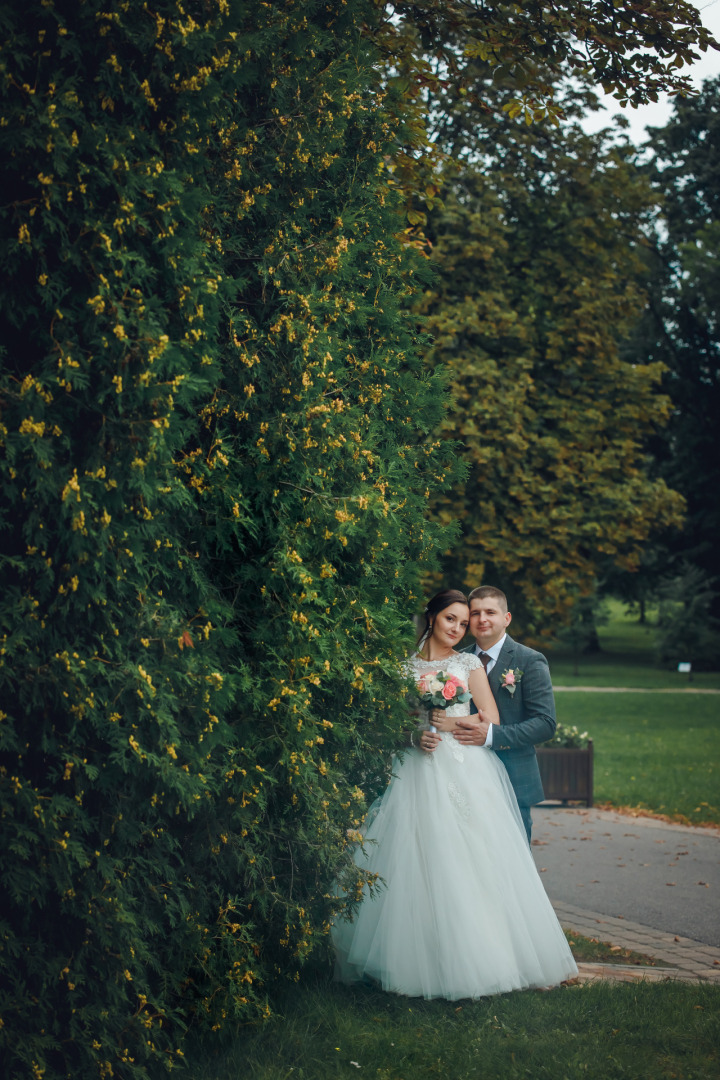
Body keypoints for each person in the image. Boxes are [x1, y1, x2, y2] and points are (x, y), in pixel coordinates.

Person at [332, 589, 577, 1000]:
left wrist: (448, 727)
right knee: (415, 858)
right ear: (431, 617)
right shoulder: (402, 666)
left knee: (479, 860)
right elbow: (390, 721)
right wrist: (415, 733)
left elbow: (493, 719)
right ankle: (416, 956)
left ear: (505, 617)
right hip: (416, 770)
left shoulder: (471, 664)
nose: (461, 627)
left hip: (467, 768)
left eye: (466, 621)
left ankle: (493, 957)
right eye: (454, 619)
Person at [456, 586, 556, 844]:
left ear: (506, 618)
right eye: (475, 613)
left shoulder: (529, 661)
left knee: (513, 864)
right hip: (462, 778)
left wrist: (491, 735)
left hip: (513, 779)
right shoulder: (457, 661)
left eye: (490, 612)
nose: (482, 619)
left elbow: (545, 724)